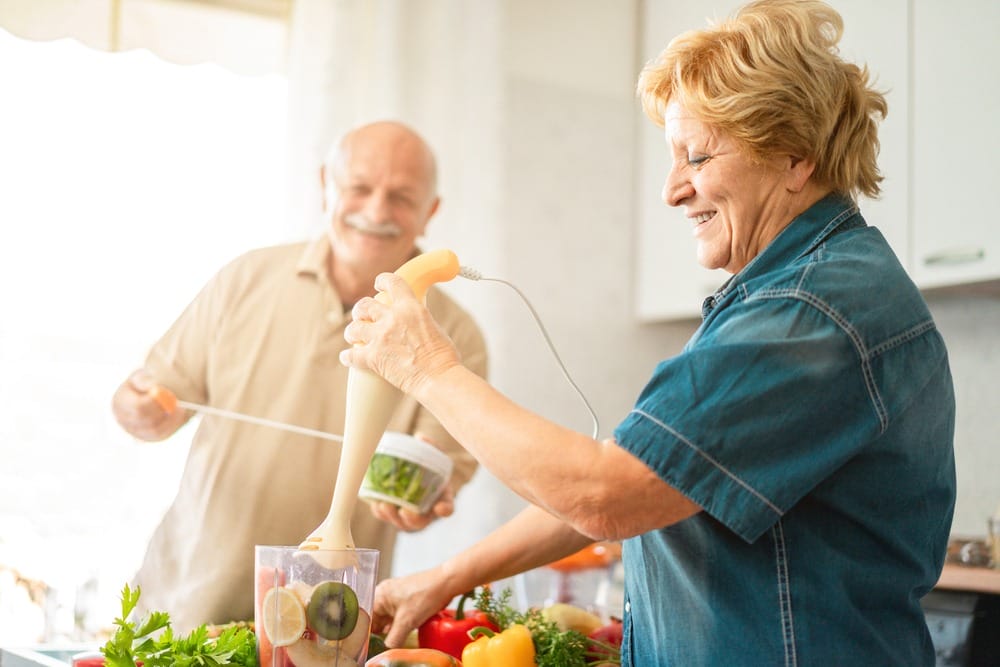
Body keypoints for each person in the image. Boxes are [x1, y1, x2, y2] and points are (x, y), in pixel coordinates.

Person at [340, 2, 956, 664]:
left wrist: (429, 368)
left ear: (794, 157)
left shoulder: (807, 314)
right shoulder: (800, 292)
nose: (671, 190)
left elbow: (605, 494)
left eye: (696, 155)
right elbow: (643, 476)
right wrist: (445, 577)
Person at [110, 120, 488, 632]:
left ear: (431, 210)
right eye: (359, 187)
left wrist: (416, 503)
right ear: (325, 186)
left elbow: (430, 477)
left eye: (401, 196)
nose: (377, 211)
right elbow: (149, 405)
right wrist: (140, 411)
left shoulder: (456, 337)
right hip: (186, 606)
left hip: (326, 628)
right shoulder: (244, 279)